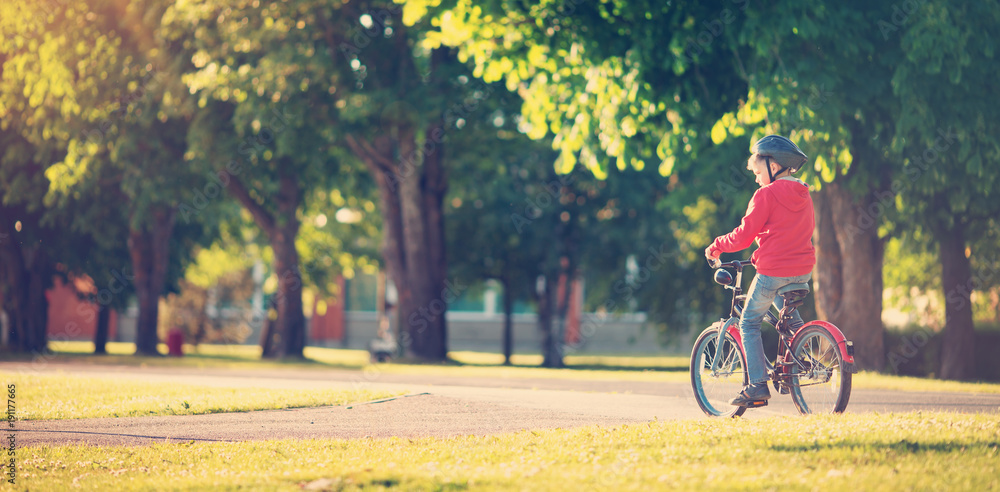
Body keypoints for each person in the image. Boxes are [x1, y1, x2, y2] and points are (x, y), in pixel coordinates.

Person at [704, 135, 815, 407]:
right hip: (802, 271)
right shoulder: (803, 193)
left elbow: (743, 236)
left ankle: (757, 385)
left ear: (773, 165)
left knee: (749, 323)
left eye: (757, 172)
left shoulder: (766, 194)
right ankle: (801, 360)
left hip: (773, 271)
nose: (756, 179)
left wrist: (716, 246)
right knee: (786, 317)